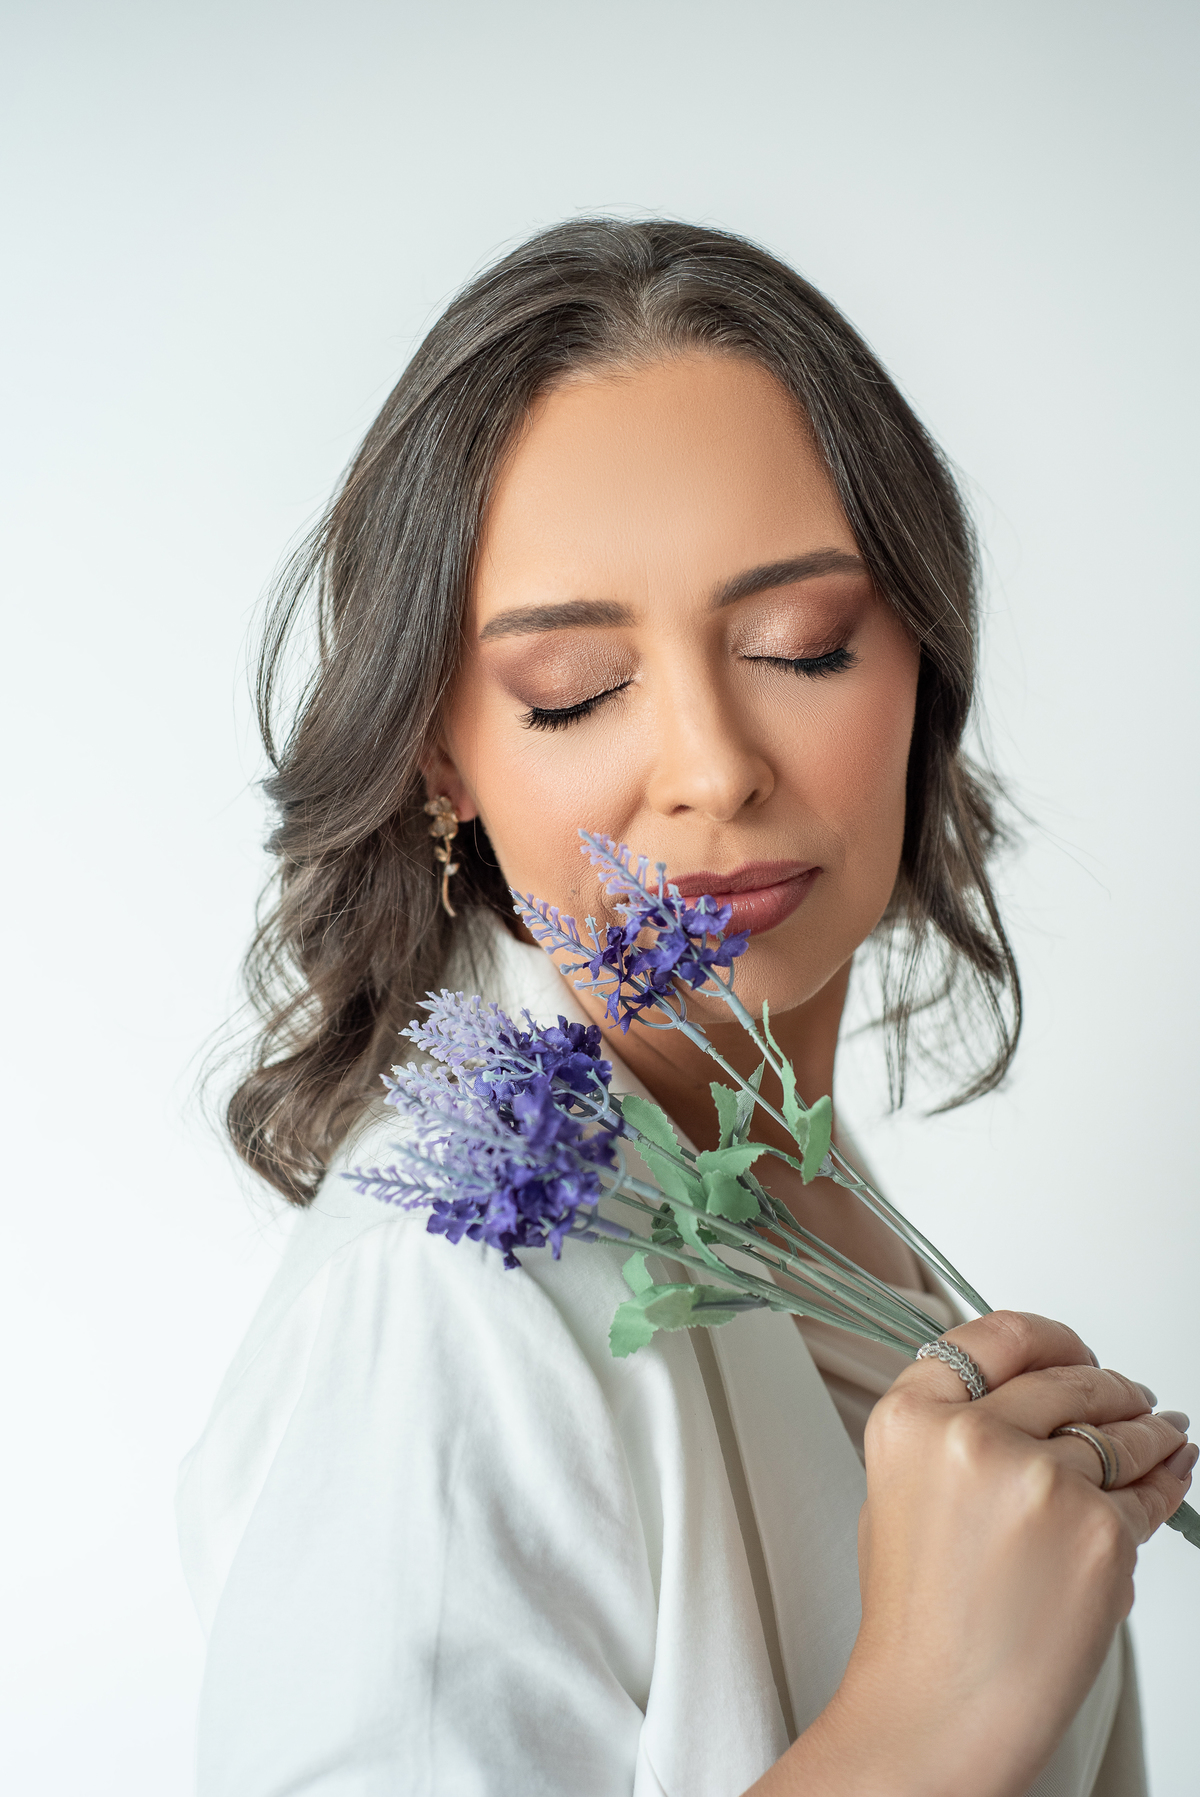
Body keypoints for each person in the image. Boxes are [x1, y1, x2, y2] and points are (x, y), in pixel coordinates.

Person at [178, 219, 1194, 1796]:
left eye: (804, 646)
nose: (715, 767)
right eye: (577, 687)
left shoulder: (814, 1204)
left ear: (922, 658)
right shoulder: (450, 1304)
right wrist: (925, 1722)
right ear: (441, 755)